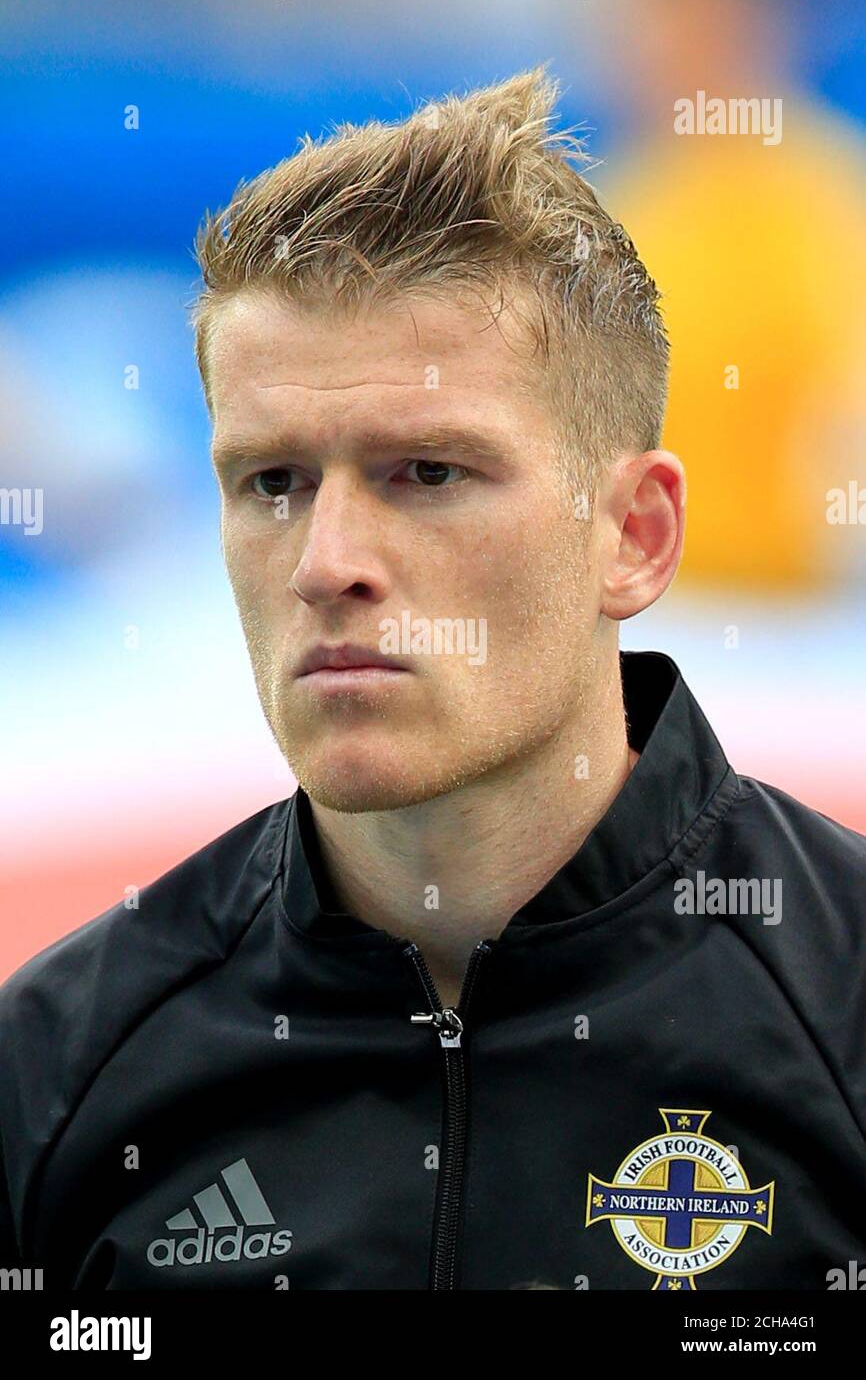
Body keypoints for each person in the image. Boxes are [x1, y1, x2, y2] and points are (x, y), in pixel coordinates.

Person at [1, 66, 864, 1292]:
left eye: (427, 473)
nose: (326, 563)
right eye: (272, 482)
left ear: (632, 535)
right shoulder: (57, 1066)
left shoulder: (840, 1006)